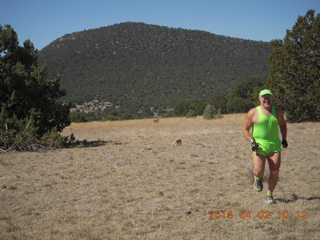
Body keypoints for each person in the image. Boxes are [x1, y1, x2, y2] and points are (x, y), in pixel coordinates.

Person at [242, 89, 288, 204]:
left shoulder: (277, 112)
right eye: (264, 97)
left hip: (274, 145)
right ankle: (258, 178)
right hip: (258, 144)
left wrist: (284, 139)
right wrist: (252, 141)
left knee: (275, 172)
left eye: (269, 97)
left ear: (272, 99)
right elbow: (245, 129)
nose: (266, 99)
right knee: (258, 170)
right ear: (259, 99)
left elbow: (282, 125)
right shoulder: (253, 112)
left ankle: (269, 194)